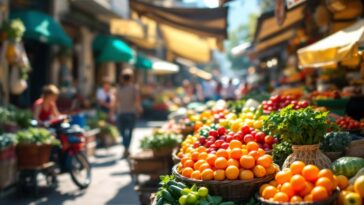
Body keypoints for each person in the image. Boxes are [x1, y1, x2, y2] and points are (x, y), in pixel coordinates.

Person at [115, 68, 142, 158]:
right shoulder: (134, 88)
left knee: (122, 132)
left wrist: (113, 110)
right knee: (130, 132)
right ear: (131, 78)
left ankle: (125, 146)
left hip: (121, 112)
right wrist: (139, 109)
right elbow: (137, 101)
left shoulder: (119, 88)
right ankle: (127, 147)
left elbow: (116, 101)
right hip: (131, 112)